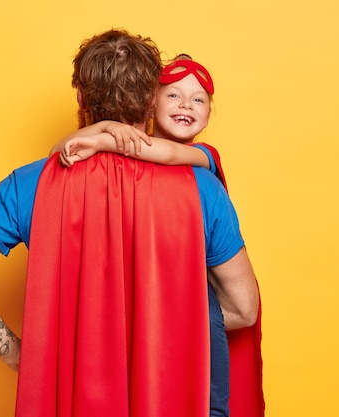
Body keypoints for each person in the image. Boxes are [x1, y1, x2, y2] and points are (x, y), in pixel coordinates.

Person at [0, 29, 259, 417]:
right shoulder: (201, 188)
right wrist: (156, 332)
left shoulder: (31, 183)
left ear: (81, 98)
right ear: (153, 100)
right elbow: (243, 309)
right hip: (178, 394)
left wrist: (19, 355)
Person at [53, 55, 266, 416]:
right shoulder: (131, 158)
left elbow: (164, 153)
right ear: (151, 102)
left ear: (210, 113)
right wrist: (107, 125)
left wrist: (106, 139)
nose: (186, 105)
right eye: (174, 96)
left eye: (199, 100)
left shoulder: (201, 156)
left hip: (193, 308)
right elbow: (60, 150)